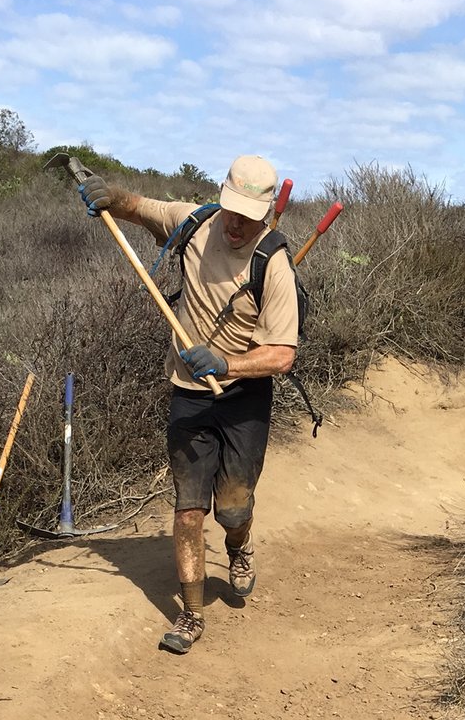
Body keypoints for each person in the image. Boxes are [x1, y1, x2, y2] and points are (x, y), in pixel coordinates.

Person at [78, 155, 300, 654]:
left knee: (235, 507)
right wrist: (109, 196)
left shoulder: (274, 263)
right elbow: (138, 208)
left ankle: (239, 548)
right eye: (232, 210)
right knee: (187, 511)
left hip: (244, 396)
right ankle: (191, 614)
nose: (237, 224)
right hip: (188, 394)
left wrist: (225, 362)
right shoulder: (196, 221)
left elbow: (282, 355)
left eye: (249, 215)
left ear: (266, 212)